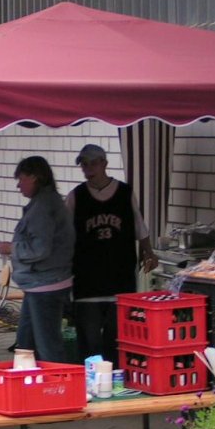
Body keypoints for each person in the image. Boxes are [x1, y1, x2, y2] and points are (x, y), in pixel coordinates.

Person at [65, 144, 159, 366]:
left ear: (104, 164)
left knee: (116, 341)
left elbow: (140, 227)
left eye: (93, 163)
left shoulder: (125, 193)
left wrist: (149, 252)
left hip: (120, 278)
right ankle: (91, 380)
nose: (88, 168)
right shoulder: (75, 196)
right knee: (90, 343)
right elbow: (63, 236)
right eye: (84, 164)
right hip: (87, 282)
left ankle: (116, 379)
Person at [0, 156, 74, 363]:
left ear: (35, 177)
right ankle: (29, 378)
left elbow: (40, 248)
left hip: (45, 284)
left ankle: (56, 380)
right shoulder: (46, 203)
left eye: (21, 179)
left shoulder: (43, 207)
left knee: (46, 345)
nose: (18, 185)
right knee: (26, 343)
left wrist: (11, 248)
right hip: (40, 285)